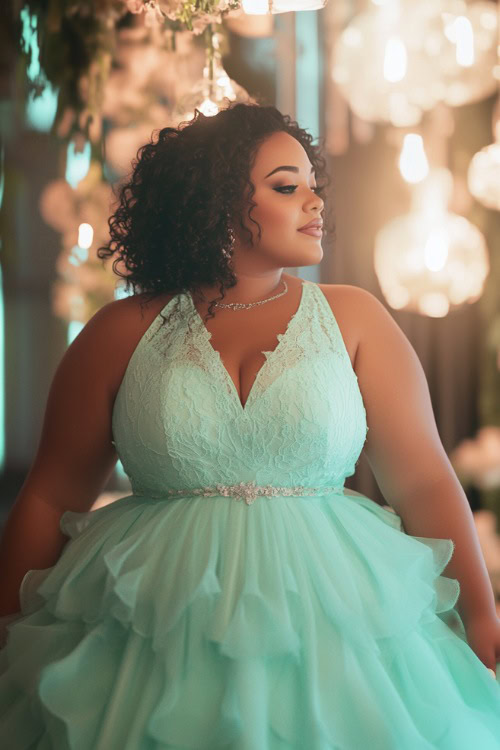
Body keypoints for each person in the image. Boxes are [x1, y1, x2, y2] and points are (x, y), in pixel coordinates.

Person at [0, 102, 499, 749]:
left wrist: (482, 611)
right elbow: (49, 493)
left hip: (335, 620)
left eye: (312, 185)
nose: (315, 203)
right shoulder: (119, 333)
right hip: (152, 625)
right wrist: (7, 621)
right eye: (287, 187)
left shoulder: (355, 318)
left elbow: (425, 479)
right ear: (212, 203)